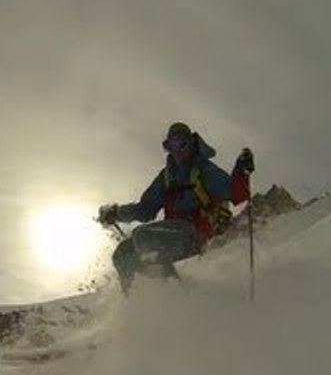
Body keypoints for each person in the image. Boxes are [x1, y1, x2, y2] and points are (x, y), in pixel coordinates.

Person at [98, 122, 254, 294]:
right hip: (171, 235)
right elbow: (145, 209)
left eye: (182, 144)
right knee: (123, 252)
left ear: (192, 143)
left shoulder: (204, 169)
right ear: (168, 147)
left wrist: (241, 170)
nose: (178, 150)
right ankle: (138, 299)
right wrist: (117, 213)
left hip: (198, 234)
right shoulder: (167, 176)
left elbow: (236, 193)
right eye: (172, 145)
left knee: (142, 235)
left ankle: (176, 291)